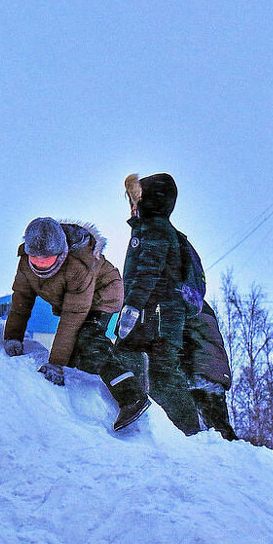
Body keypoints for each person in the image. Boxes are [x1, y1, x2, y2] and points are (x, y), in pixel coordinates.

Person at [2, 217, 150, 432]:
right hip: (74, 302)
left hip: (103, 295)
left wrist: (55, 363)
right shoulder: (26, 262)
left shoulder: (78, 265)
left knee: (87, 340)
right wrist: (13, 336)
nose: (40, 265)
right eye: (36, 259)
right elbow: (21, 300)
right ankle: (129, 362)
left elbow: (73, 315)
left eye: (47, 260)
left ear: (61, 253)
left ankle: (132, 396)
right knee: (74, 356)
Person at [117, 173, 200, 435]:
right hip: (156, 315)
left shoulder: (155, 229)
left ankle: (190, 433)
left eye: (135, 199)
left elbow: (148, 272)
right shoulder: (150, 228)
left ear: (148, 200)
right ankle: (162, 426)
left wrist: (131, 308)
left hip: (158, 317)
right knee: (153, 368)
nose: (131, 204)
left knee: (163, 373)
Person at [183, 301, 238, 440]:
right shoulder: (200, 303)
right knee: (221, 429)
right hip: (216, 373)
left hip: (197, 371)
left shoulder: (177, 301)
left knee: (200, 435)